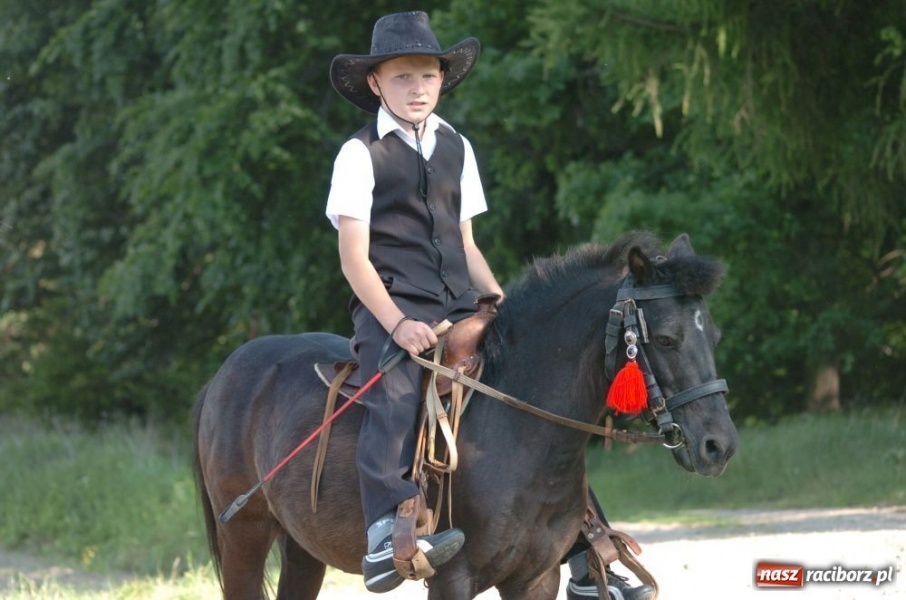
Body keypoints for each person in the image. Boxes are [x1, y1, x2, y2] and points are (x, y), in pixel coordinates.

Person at [326, 11, 654, 600]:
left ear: (441, 80)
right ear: (375, 82)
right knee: (396, 392)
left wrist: (504, 304)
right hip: (394, 307)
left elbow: (468, 244)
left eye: (428, 74)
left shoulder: (456, 145)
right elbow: (354, 258)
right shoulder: (359, 154)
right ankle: (382, 534)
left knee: (539, 396)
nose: (418, 87)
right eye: (403, 77)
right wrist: (398, 324)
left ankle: (589, 549)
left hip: (460, 301)